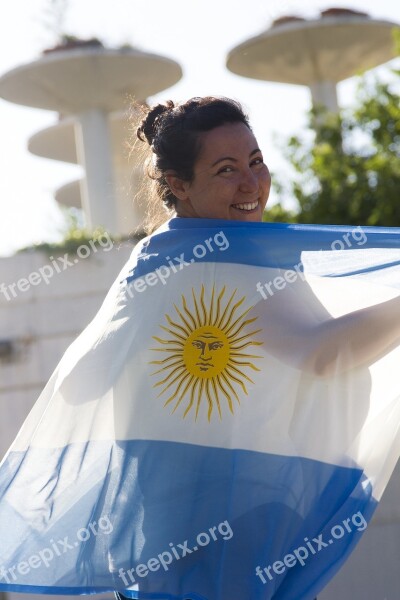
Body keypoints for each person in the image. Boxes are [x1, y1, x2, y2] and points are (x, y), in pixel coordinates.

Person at [0, 96, 400, 600]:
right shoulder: (220, 265)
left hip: (174, 549)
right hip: (224, 548)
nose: (252, 184)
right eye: (227, 169)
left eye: (256, 162)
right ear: (178, 185)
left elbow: (84, 385)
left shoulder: (160, 260)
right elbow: (321, 355)